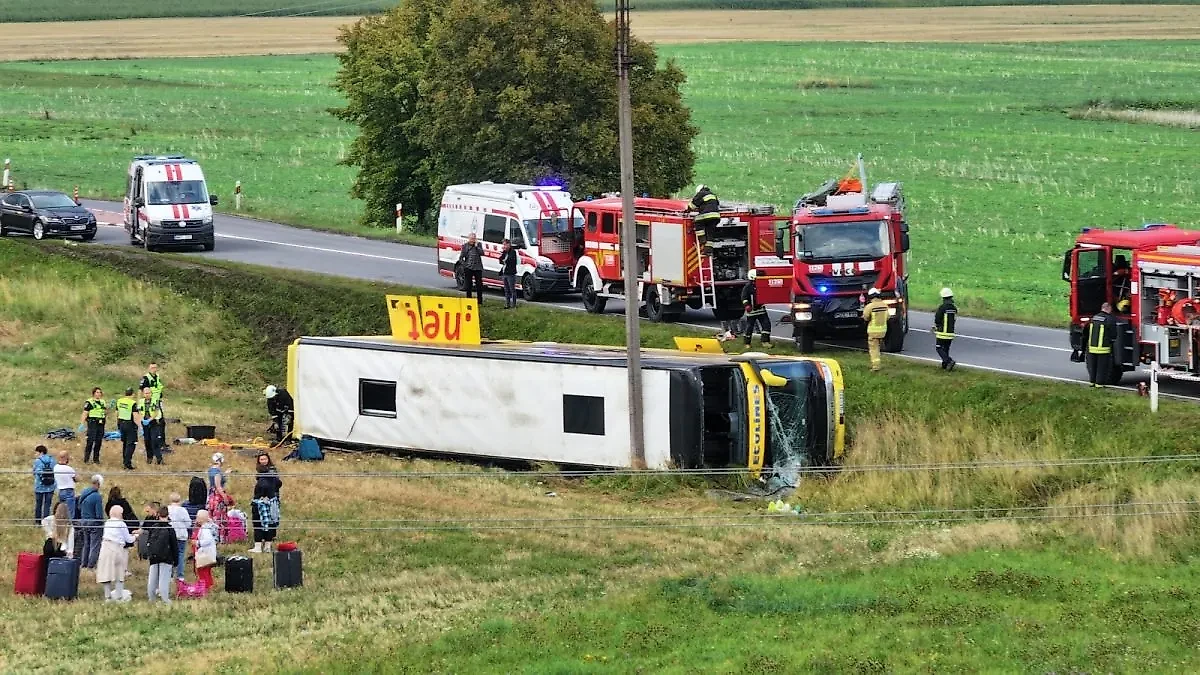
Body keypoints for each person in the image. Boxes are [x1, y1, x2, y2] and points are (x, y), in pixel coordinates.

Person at [97, 504, 139, 602]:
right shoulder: (121, 524)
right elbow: (128, 539)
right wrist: (136, 536)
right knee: (119, 573)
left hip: (105, 547)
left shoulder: (107, 523)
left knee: (106, 572)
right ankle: (119, 596)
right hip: (117, 548)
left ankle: (107, 596)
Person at [249, 453, 283, 554]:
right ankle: (268, 546)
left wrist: (263, 496)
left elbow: (264, 486)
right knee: (271, 523)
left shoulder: (263, 480)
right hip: (273, 501)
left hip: (262, 503)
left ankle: (258, 547)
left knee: (258, 524)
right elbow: (279, 483)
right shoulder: (273, 476)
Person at [144, 506, 178, 604]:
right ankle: (165, 599)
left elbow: (149, 541)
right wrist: (175, 561)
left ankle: (151, 598)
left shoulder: (153, 527)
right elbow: (174, 546)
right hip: (166, 557)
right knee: (164, 579)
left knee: (152, 579)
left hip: (153, 557)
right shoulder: (170, 529)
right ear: (168, 515)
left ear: (158, 515)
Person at [1086, 301, 1118, 388]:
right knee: (1102, 367)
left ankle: (1092, 382)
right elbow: (1113, 334)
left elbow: (1086, 331)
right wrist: (1111, 341)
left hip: (1091, 348)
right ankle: (1099, 384)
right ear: (1108, 309)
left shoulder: (1094, 317)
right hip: (1103, 348)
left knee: (1093, 366)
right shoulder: (1110, 319)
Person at [78, 474, 105, 570]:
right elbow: (99, 514)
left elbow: (79, 507)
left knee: (86, 544)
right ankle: (91, 565)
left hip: (84, 521)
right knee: (95, 545)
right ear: (99, 484)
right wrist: (102, 522)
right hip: (94, 523)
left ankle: (83, 564)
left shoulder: (85, 492)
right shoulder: (97, 496)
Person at [861, 287, 890, 372]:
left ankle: (876, 366)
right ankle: (877, 364)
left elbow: (866, 317)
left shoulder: (870, 306)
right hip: (883, 331)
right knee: (878, 347)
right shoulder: (885, 305)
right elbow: (888, 317)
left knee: (874, 349)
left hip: (873, 332)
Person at [740, 270, 772, 348]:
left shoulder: (760, 286)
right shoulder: (747, 287)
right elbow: (744, 297)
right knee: (749, 327)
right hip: (752, 311)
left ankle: (765, 341)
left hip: (761, 310)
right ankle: (747, 343)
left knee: (766, 325)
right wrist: (747, 305)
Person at [167, 493, 193, 581]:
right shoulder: (183, 510)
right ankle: (180, 576)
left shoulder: (167, 509)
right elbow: (188, 523)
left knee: (169, 554)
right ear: (179, 500)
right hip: (181, 535)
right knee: (180, 554)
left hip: (170, 535)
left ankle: (169, 575)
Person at [207, 453, 232, 542]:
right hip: (217, 496)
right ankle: (219, 537)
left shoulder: (211, 470)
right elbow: (218, 486)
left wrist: (225, 474)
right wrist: (225, 497)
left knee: (212, 514)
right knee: (219, 516)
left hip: (212, 495)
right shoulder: (217, 472)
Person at [135, 387, 164, 465]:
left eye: (148, 393)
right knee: (147, 441)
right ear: (143, 394)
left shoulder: (155, 401)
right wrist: (142, 421)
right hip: (144, 423)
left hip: (153, 422)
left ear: (151, 393)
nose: (147, 394)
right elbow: (139, 412)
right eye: (145, 393)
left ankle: (159, 458)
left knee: (154, 440)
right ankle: (149, 458)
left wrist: (149, 420)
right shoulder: (141, 401)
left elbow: (156, 412)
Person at [689, 185, 720, 256]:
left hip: (707, 215)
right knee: (710, 233)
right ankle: (708, 251)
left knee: (697, 221)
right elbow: (716, 204)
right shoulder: (713, 194)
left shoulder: (701, 194)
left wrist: (687, 210)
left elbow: (692, 206)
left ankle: (702, 239)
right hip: (716, 216)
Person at [80, 387, 108, 465]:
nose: (99, 394)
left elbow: (105, 412)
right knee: (90, 441)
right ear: (94, 393)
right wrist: (82, 423)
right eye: (97, 392)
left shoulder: (103, 402)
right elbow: (85, 413)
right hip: (93, 423)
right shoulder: (89, 402)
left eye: (100, 392)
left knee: (99, 441)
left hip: (101, 423)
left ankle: (96, 459)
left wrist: (109, 408)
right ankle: (86, 459)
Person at [193, 510, 219, 590]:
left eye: (197, 517)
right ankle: (210, 585)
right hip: (209, 553)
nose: (196, 518)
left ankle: (205, 586)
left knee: (202, 570)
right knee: (206, 570)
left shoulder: (205, 529)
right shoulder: (208, 526)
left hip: (205, 554)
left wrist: (197, 543)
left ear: (201, 519)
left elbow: (208, 540)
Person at [933, 287, 957, 371]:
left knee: (938, 348)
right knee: (946, 348)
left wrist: (936, 326)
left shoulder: (942, 307)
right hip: (951, 333)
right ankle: (945, 365)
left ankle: (949, 361)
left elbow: (937, 319)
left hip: (942, 332)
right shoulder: (954, 308)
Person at [458, 231, 485, 305]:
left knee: (479, 285)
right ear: (469, 239)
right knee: (468, 285)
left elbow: (482, 253)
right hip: (469, 268)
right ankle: (468, 300)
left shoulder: (478, 245)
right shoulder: (465, 246)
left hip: (478, 268)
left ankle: (480, 301)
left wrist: (476, 246)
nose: (473, 240)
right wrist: (465, 265)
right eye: (471, 238)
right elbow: (461, 258)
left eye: (474, 238)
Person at [115, 388, 138, 471]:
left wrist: (118, 424)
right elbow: (135, 416)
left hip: (121, 423)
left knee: (125, 443)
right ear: (132, 394)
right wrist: (141, 427)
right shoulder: (133, 403)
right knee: (131, 444)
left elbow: (117, 413)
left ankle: (125, 461)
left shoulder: (119, 401)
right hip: (130, 424)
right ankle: (127, 463)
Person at [33, 445, 57, 524]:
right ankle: (46, 521)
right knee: (47, 505)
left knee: (38, 504)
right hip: (50, 486)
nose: (35, 454)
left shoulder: (37, 461)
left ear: (41, 452)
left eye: (36, 452)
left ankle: (38, 521)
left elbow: (35, 472)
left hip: (39, 486)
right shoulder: (52, 460)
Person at [53, 451, 76, 526]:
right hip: (69, 491)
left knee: (62, 510)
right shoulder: (69, 469)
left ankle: (61, 525)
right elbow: (77, 479)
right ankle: (69, 526)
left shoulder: (55, 467)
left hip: (60, 491)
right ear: (66, 458)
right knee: (70, 511)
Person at [499, 238, 518, 309]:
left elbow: (510, 261)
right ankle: (507, 304)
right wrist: (503, 259)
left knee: (512, 289)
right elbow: (500, 260)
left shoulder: (513, 252)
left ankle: (514, 304)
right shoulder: (504, 252)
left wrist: (505, 261)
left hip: (510, 273)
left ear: (508, 244)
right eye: (503, 245)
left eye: (505, 244)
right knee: (506, 289)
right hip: (504, 273)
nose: (503, 246)